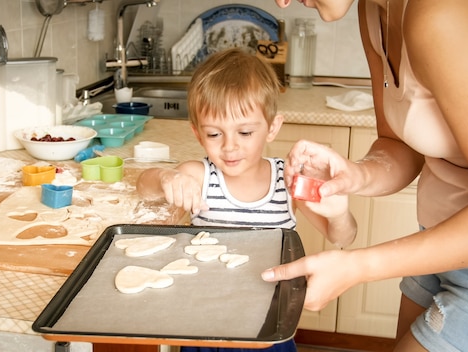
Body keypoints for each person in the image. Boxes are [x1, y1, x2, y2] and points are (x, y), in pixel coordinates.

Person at [262, 1, 468, 351]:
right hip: (435, 243)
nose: (280, 2)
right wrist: (354, 174)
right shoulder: (373, 11)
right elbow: (396, 143)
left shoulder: (443, 12)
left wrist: (357, 266)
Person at [136, 48, 357, 352]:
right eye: (214, 135)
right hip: (204, 327)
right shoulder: (200, 176)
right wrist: (164, 177)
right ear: (198, 134)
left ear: (272, 128)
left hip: (268, 329)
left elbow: (342, 236)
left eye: (244, 132)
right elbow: (143, 187)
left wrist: (340, 213)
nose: (230, 147)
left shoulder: (288, 179)